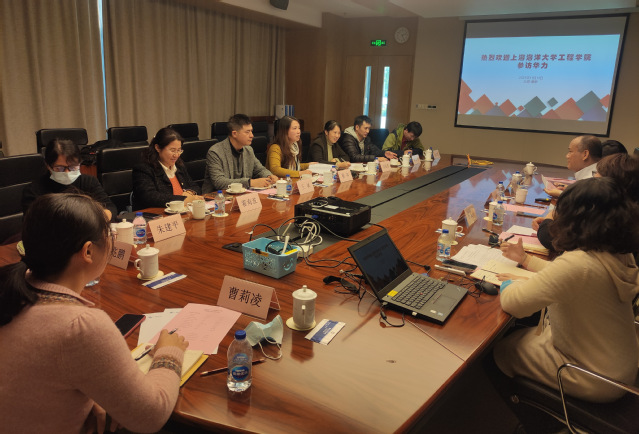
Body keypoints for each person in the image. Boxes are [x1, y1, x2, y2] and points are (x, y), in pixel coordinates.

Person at [0, 193, 189, 433]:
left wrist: (91, 393)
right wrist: (168, 352)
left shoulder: (11, 288)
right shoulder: (80, 326)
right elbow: (151, 415)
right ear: (88, 252)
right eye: (109, 234)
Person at [489, 178, 639, 432]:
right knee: (524, 333)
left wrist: (506, 284)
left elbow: (515, 303)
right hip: (618, 367)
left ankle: (540, 422)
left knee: (500, 350)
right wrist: (525, 260)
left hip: (590, 376)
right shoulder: (618, 255)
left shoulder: (579, 264)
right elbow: (570, 278)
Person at [534, 153, 639, 251]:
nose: (594, 177)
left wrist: (551, 216)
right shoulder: (627, 215)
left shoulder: (606, 217)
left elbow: (551, 238)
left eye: (598, 174)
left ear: (611, 184)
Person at [22, 139, 117, 220]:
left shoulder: (89, 182)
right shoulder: (33, 191)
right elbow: (33, 224)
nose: (67, 172)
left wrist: (101, 218)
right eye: (60, 168)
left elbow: (109, 207)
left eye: (73, 167)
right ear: (48, 166)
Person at [203, 113, 278, 193]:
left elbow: (259, 170)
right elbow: (219, 182)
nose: (252, 135)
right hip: (217, 197)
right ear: (234, 134)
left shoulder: (248, 150)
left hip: (242, 194)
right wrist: (250, 182)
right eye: (247, 132)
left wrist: (269, 175)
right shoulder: (215, 152)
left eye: (251, 131)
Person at [132, 127, 202, 209]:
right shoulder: (143, 169)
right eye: (172, 150)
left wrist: (189, 192)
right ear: (158, 148)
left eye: (179, 150)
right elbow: (150, 197)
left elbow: (195, 187)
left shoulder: (179, 165)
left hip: (183, 212)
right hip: (156, 214)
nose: (176, 155)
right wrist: (183, 199)